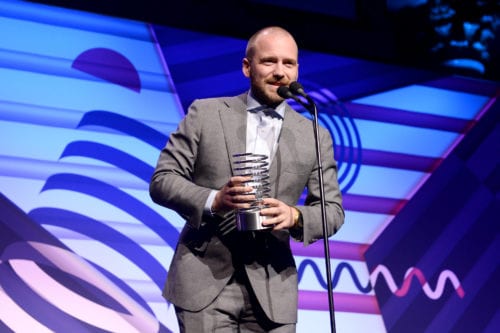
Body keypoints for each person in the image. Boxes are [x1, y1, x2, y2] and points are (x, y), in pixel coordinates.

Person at [150, 26, 344, 332]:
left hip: (273, 287)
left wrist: (294, 215)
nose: (280, 72)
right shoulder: (206, 113)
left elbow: (332, 211)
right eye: (269, 62)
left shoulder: (314, 134)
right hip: (204, 280)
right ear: (247, 67)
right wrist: (215, 199)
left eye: (289, 63)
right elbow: (163, 180)